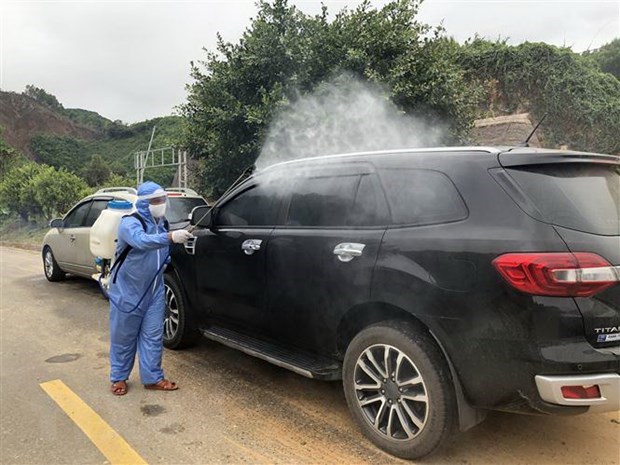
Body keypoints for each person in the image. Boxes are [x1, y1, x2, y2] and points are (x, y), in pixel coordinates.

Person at [108, 181, 193, 396]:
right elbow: (141, 241)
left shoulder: (162, 223)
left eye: (163, 200)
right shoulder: (130, 223)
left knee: (153, 336)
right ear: (145, 203)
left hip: (154, 290)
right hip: (127, 291)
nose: (161, 204)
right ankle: (118, 378)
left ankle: (153, 378)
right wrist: (171, 237)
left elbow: (162, 253)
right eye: (156, 201)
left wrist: (173, 244)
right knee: (123, 336)